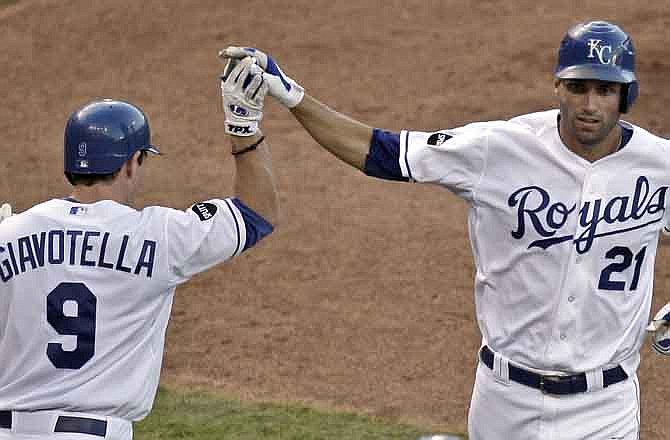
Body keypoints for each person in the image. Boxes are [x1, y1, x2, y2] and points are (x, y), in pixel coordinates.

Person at [222, 21, 670, 439]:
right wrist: (294, 96)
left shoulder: (660, 165)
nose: (590, 105)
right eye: (577, 87)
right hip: (504, 400)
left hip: (606, 409)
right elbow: (382, 153)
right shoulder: (500, 149)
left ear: (626, 95)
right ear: (558, 86)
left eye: (605, 90)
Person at [0, 57, 276, 439]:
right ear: (131, 164)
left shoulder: (10, 234)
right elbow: (256, 213)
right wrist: (244, 129)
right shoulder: (160, 236)